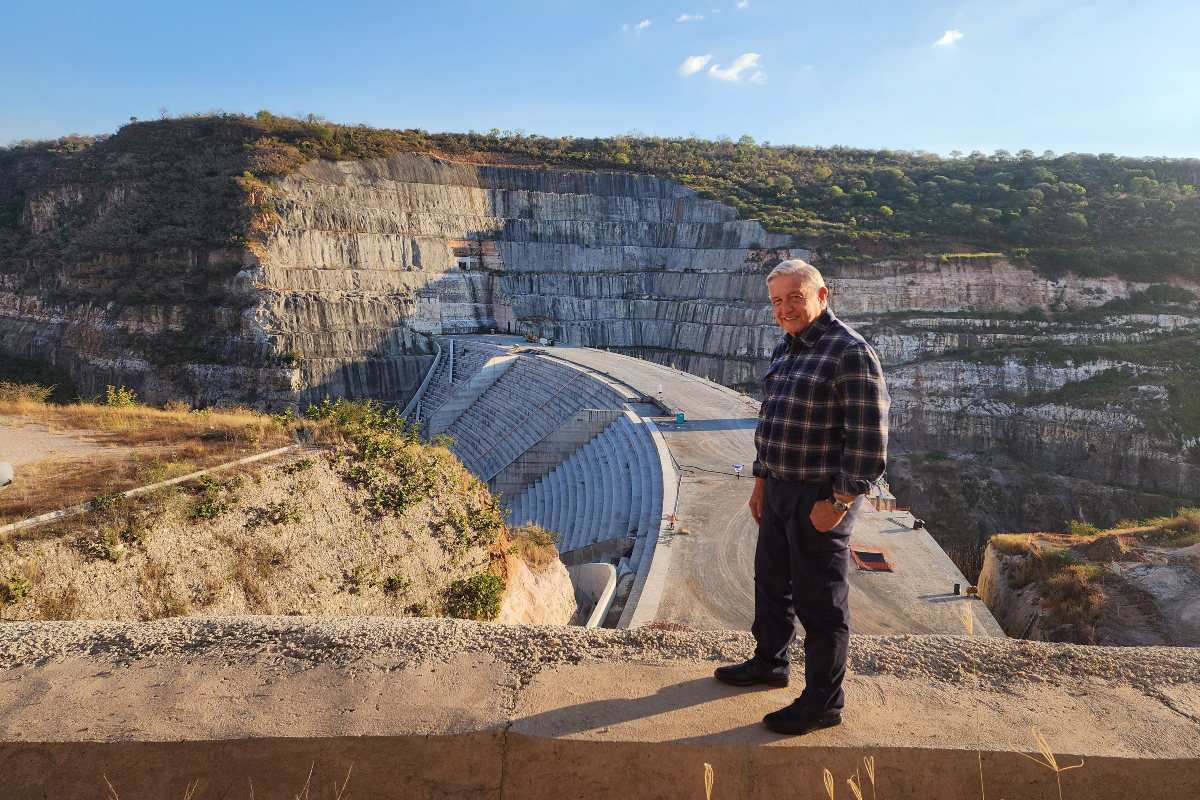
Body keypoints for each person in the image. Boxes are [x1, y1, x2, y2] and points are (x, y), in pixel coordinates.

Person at [714, 260, 890, 736]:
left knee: (820, 601)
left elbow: (869, 440)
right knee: (771, 580)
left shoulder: (850, 353)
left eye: (795, 296)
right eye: (777, 300)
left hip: (819, 495)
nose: (785, 307)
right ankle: (770, 663)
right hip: (778, 488)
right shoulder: (787, 347)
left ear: (822, 295)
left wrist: (838, 501)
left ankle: (822, 703)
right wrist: (761, 481)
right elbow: (772, 421)